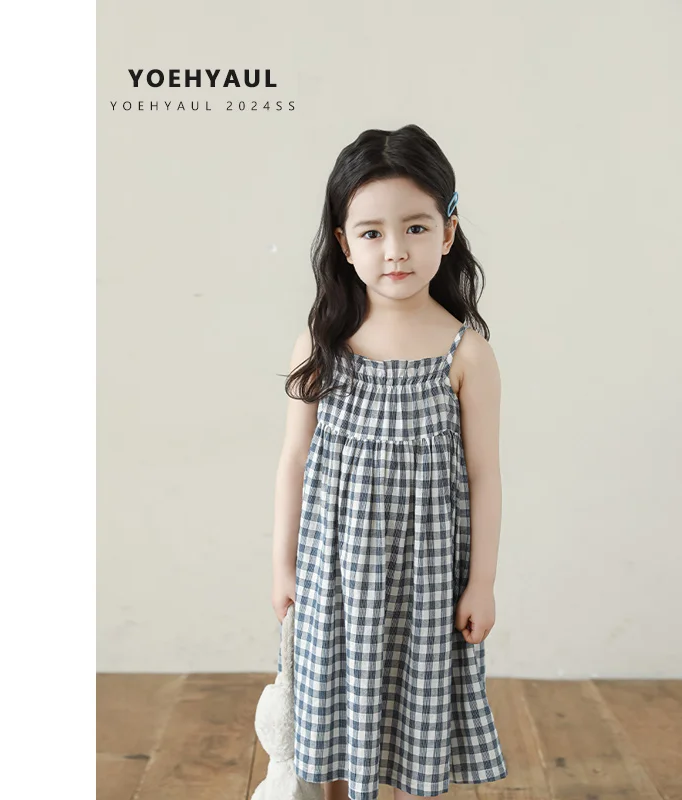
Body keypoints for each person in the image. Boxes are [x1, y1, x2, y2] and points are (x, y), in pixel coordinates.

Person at [270, 124, 508, 800]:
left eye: (416, 227)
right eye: (372, 232)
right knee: (332, 725)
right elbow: (294, 459)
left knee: (409, 727)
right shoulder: (322, 343)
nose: (395, 249)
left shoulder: (466, 353)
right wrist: (283, 566)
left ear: (448, 232)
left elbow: (485, 475)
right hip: (333, 576)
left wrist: (482, 583)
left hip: (425, 582)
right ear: (344, 244)